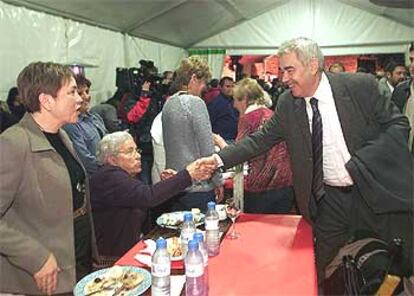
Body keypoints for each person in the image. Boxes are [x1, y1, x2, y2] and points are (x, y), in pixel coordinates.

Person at [204, 37, 413, 286]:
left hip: (371, 193)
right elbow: (258, 141)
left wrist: (364, 162)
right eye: (282, 71)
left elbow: (398, 123)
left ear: (313, 65)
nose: (284, 78)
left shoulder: (359, 86)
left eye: (290, 70)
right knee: (323, 270)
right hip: (329, 201)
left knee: (394, 267)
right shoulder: (288, 104)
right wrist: (217, 159)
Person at [0, 62, 98, 295]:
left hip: (77, 260)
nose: (80, 99)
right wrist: (35, 256)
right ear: (46, 101)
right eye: (72, 92)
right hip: (42, 278)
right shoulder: (14, 143)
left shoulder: (62, 136)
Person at [89, 131, 214, 265]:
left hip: (132, 248)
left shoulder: (123, 176)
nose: (137, 156)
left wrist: (169, 183)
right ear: (112, 159)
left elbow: (149, 204)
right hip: (113, 260)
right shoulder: (108, 177)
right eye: (129, 152)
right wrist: (187, 174)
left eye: (136, 150)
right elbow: (148, 197)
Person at [214, 78, 294, 214]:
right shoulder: (271, 114)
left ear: (244, 99)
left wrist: (220, 142)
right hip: (285, 185)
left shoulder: (248, 118)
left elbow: (239, 154)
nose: (233, 105)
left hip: (260, 188)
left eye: (235, 100)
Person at [162, 56, 223, 212]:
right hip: (198, 188)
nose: (204, 88)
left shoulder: (168, 104)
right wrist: (218, 181)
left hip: (174, 186)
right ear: (194, 78)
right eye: (203, 83)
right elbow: (207, 148)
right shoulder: (195, 103)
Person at [64, 75, 107, 176]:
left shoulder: (95, 117)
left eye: (87, 92)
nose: (86, 97)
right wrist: (108, 170)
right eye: (80, 93)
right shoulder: (70, 125)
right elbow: (84, 159)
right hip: (92, 179)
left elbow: (108, 144)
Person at [207, 76, 239, 141]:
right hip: (222, 140)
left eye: (232, 86)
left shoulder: (236, 101)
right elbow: (209, 123)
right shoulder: (215, 104)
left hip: (235, 139)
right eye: (227, 86)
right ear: (220, 87)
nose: (231, 89)